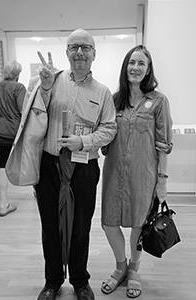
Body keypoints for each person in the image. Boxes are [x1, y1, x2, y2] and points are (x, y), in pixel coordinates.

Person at [6, 29, 117, 300]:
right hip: (50, 165)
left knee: (80, 227)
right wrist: (43, 89)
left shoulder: (103, 92)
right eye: (74, 47)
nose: (80, 52)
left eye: (85, 47)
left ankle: (80, 281)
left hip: (84, 168)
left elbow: (110, 128)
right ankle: (52, 281)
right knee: (50, 226)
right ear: (67, 52)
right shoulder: (48, 81)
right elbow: (31, 117)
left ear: (94, 53)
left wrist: (85, 141)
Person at [101, 45, 173, 298]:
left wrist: (162, 181)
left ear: (148, 69)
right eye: (132, 62)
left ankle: (133, 269)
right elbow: (105, 133)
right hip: (113, 173)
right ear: (125, 66)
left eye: (141, 63)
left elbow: (163, 144)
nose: (135, 67)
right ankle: (120, 265)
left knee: (139, 225)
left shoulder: (159, 101)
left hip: (144, 175)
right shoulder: (114, 99)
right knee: (108, 222)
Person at [0, 60, 26, 217]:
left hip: (0, 133)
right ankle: (36, 192)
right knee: (31, 160)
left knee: (2, 165)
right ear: (17, 74)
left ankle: (3, 204)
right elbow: (24, 111)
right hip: (17, 133)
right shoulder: (19, 88)